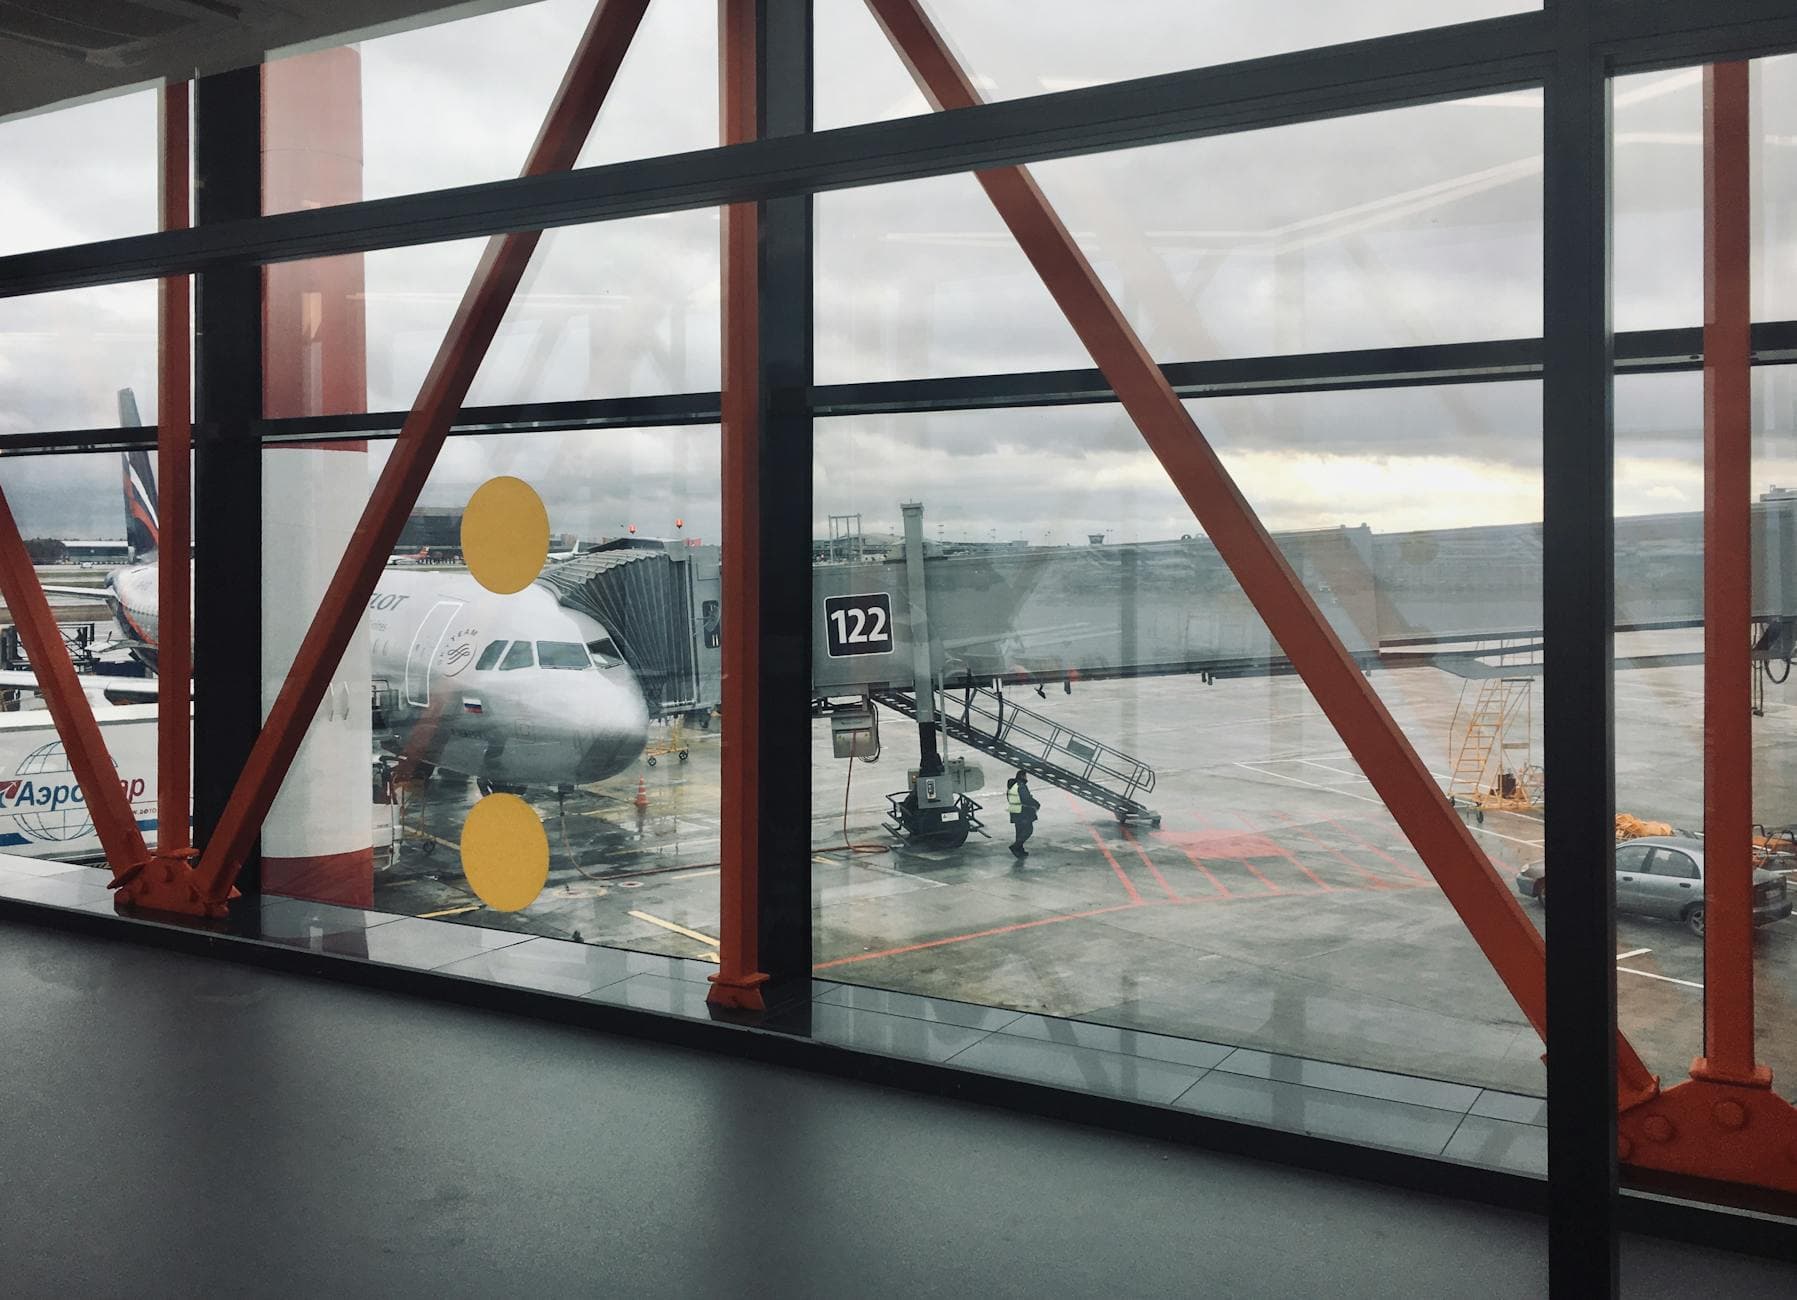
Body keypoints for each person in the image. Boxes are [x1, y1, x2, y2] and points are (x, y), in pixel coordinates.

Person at [1006, 770, 1040, 858]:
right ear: (1022, 776)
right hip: (1023, 812)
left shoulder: (1012, 786)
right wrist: (1036, 804)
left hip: (1015, 811)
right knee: (1028, 830)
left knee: (1019, 831)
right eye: (1025, 776)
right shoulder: (1021, 786)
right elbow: (1026, 799)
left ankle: (1020, 850)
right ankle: (1015, 846)